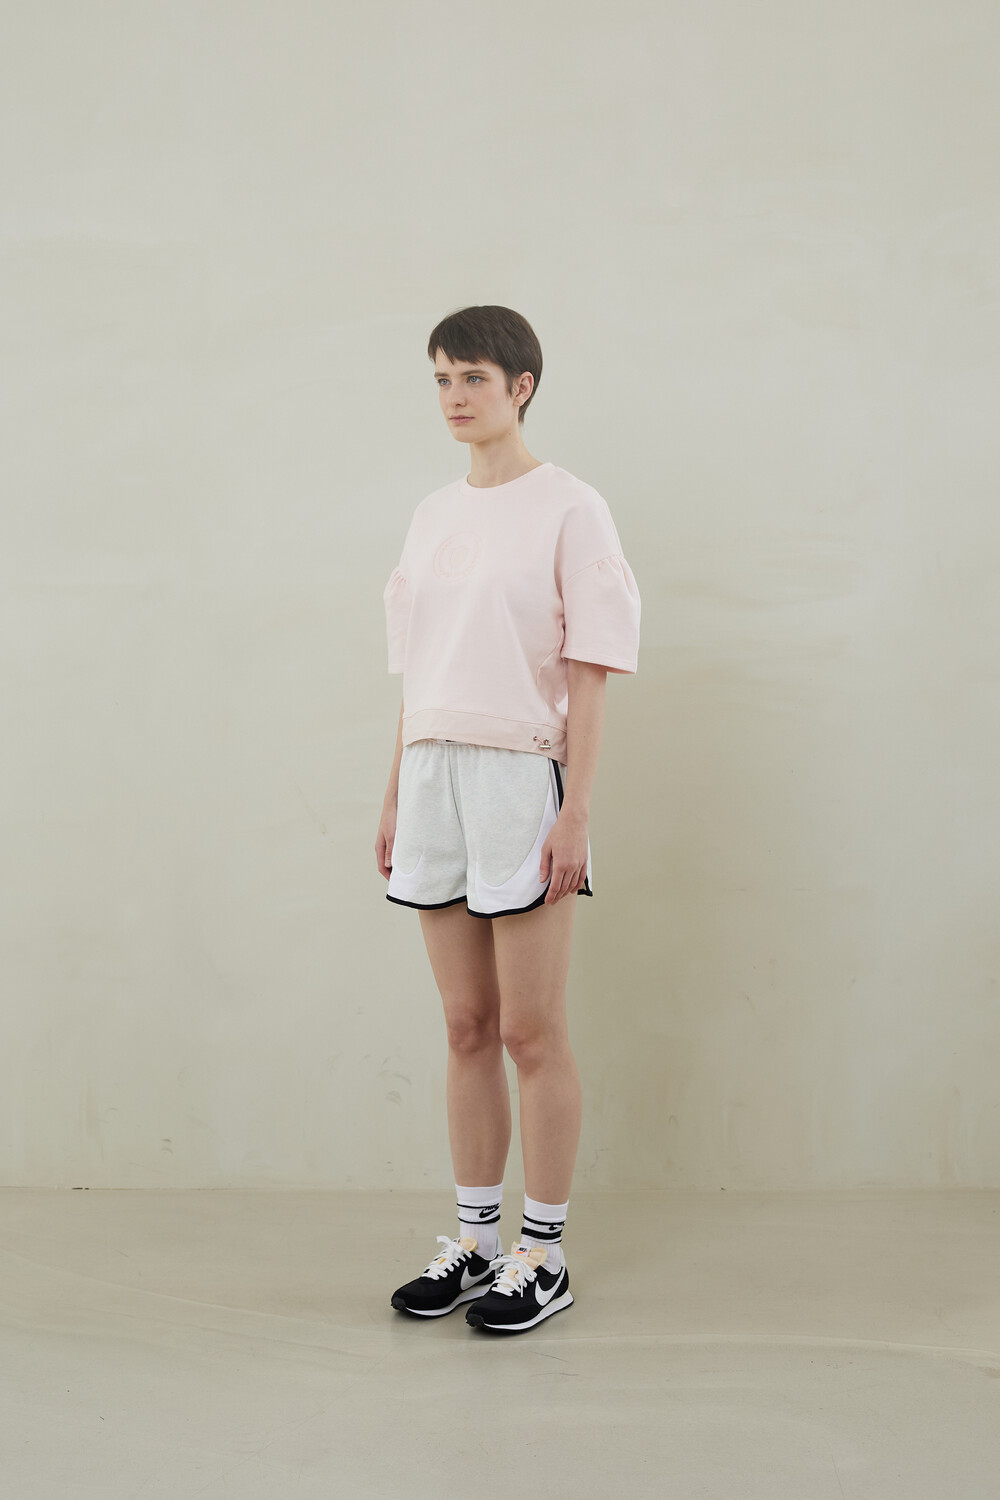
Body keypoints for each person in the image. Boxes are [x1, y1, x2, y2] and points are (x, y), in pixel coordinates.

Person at [375, 305, 640, 1335]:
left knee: (531, 1030)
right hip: (432, 772)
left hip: (521, 776)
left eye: (473, 378)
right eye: (441, 378)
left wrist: (577, 812)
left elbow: (590, 669)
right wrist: (395, 791)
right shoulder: (431, 513)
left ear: (521, 386)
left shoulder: (571, 508)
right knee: (464, 1025)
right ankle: (477, 1242)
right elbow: (421, 674)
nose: (453, 397)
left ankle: (544, 1253)